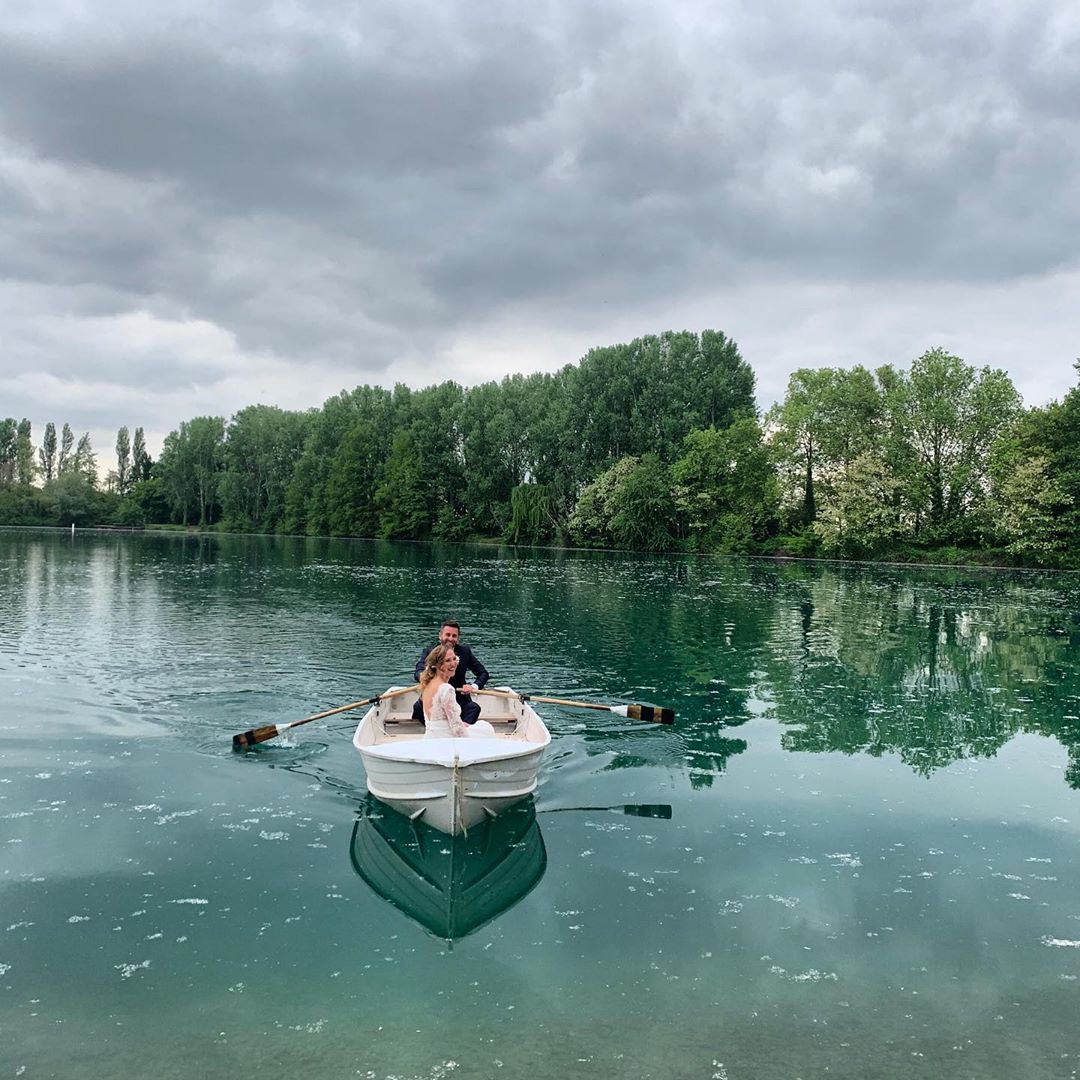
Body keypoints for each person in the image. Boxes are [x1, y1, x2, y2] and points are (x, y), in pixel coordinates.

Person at [412, 619, 489, 724]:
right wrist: (429, 681)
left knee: (474, 708)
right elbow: (418, 672)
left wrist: (473, 686)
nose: (450, 639)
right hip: (435, 697)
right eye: (447, 635)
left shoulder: (465, 652)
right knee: (418, 707)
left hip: (458, 698)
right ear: (440, 635)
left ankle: (461, 734)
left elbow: (483, 673)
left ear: (458, 638)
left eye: (454, 636)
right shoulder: (430, 652)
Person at [419, 644, 493, 739]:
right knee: (486, 729)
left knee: (479, 727)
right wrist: (469, 741)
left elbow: (439, 721)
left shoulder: (427, 684)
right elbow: (456, 729)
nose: (453, 664)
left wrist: (464, 725)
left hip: (431, 736)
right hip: (446, 738)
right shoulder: (446, 689)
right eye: (448, 661)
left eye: (454, 659)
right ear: (438, 665)